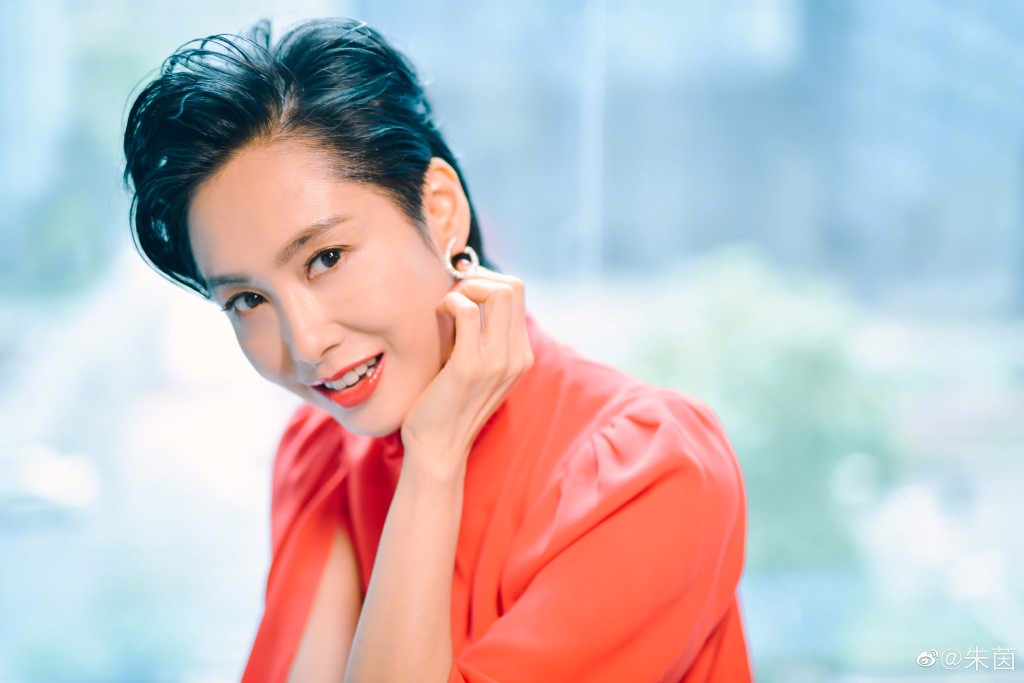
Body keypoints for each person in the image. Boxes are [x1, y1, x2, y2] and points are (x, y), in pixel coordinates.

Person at [121, 16, 752, 683]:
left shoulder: (653, 475)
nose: (306, 342)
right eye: (248, 299)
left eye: (325, 258)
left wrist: (435, 458)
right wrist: (430, 460)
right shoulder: (322, 457)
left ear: (441, 210)